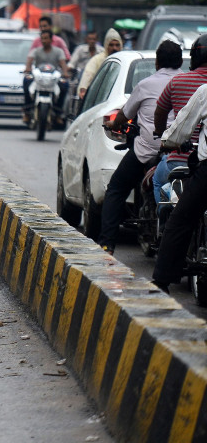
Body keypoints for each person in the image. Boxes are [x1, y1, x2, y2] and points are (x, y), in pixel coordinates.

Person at [96, 41, 182, 254]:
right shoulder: (188, 82)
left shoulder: (146, 84)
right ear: (180, 61)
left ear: (157, 62)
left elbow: (125, 115)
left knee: (115, 189)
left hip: (149, 150)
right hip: (183, 150)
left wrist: (113, 124)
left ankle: (107, 244)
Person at [150, 35, 207, 292]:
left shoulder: (204, 91)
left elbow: (180, 129)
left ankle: (162, 281)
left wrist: (168, 141)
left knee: (181, 220)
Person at [22, 28, 70, 124]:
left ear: (51, 40)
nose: (44, 41)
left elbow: (63, 64)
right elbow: (29, 60)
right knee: (26, 81)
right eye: (42, 39)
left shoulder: (58, 51)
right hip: (38, 78)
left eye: (46, 38)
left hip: (53, 79)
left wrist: (65, 73)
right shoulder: (36, 51)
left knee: (65, 85)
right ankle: (27, 111)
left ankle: (58, 114)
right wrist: (28, 68)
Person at [78, 29, 123, 98]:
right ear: (106, 45)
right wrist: (83, 90)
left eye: (117, 45)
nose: (114, 48)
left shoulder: (124, 59)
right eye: (111, 45)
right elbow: (88, 75)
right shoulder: (97, 60)